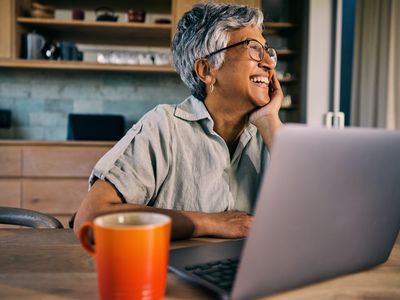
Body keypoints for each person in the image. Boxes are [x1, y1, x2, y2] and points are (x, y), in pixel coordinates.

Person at [73, 3, 283, 240]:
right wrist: (209, 223)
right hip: (171, 273)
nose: (269, 62)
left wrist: (269, 121)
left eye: (268, 51)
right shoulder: (163, 127)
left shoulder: (269, 133)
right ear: (206, 70)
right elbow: (90, 218)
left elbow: (320, 220)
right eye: (254, 49)